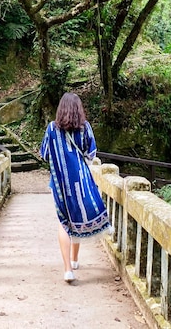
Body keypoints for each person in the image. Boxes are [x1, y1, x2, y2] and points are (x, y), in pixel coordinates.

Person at [39, 92, 111, 283]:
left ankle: (68, 270)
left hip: (60, 183)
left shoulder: (51, 129)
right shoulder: (84, 128)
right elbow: (91, 153)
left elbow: (45, 154)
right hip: (81, 180)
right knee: (77, 217)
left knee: (64, 222)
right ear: (79, 109)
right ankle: (75, 258)